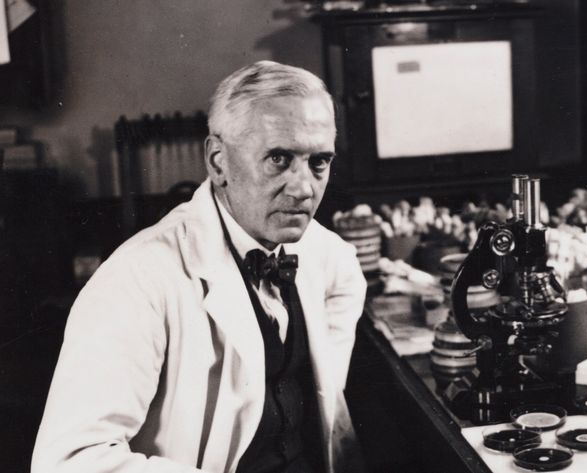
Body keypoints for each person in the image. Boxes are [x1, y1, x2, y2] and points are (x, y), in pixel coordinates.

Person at [32, 61, 367, 473]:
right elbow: (68, 461)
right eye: (279, 158)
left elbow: (345, 283)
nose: (303, 188)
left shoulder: (321, 253)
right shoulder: (135, 281)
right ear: (217, 160)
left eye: (319, 162)